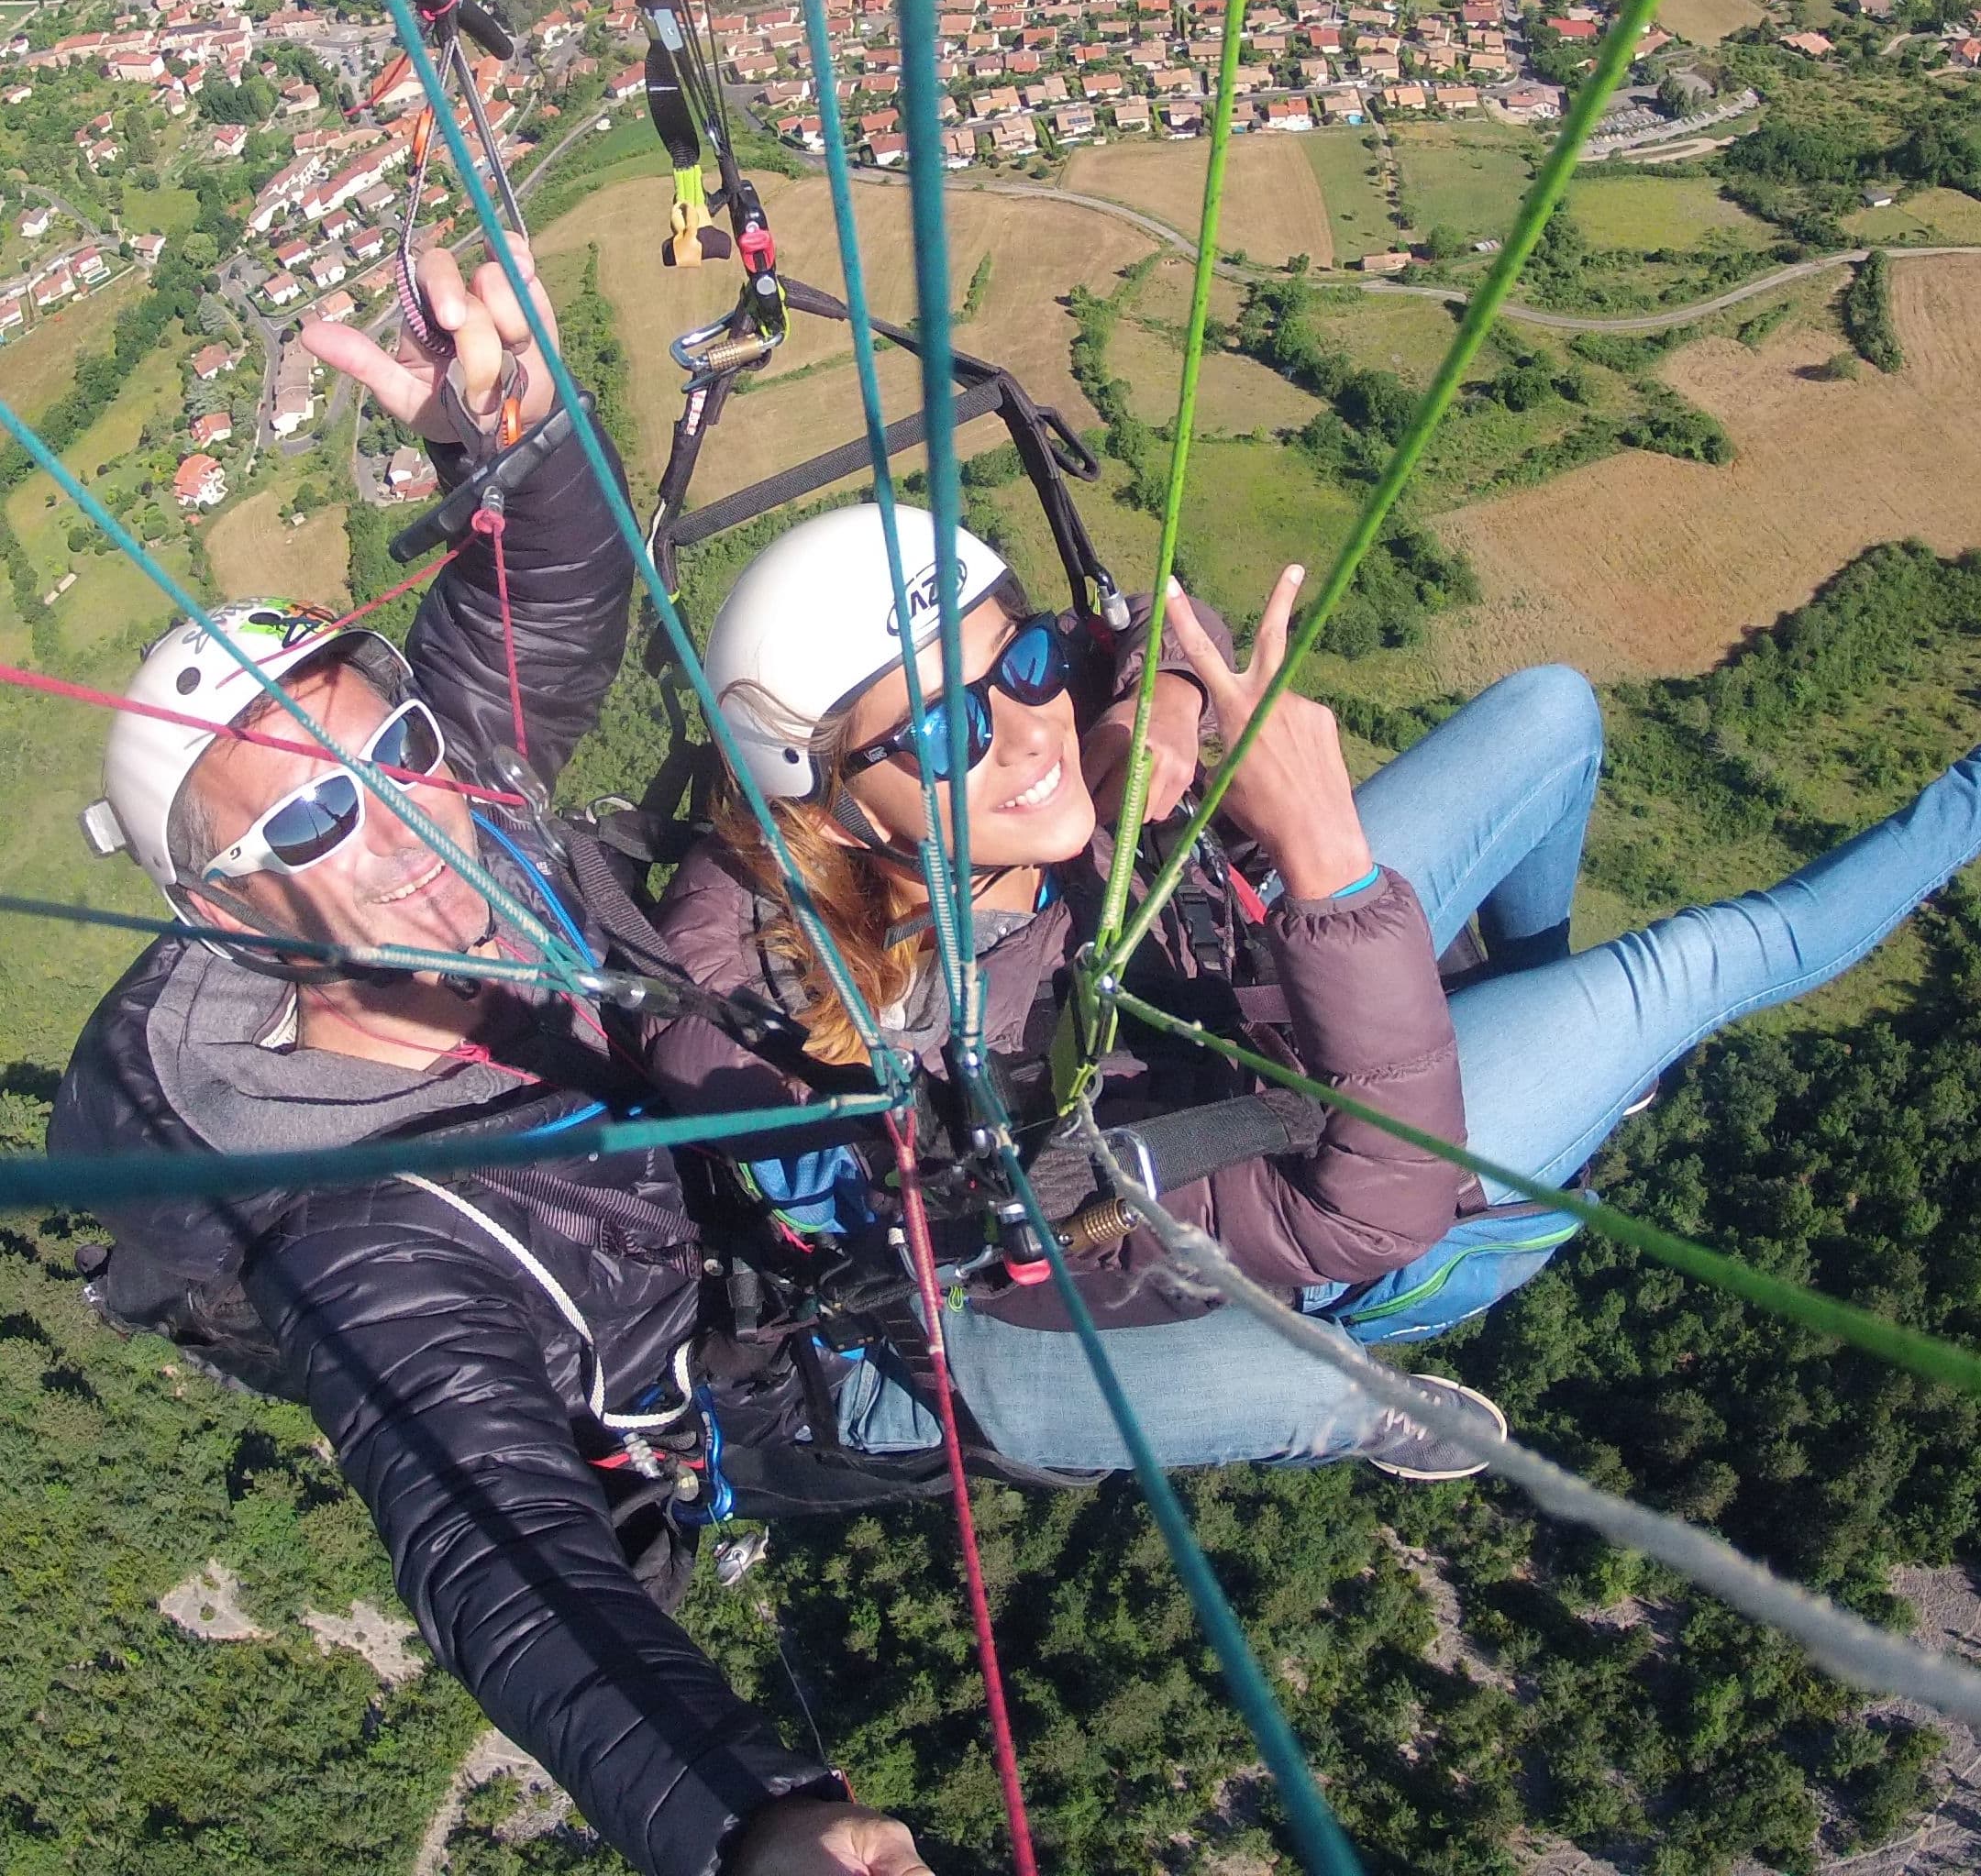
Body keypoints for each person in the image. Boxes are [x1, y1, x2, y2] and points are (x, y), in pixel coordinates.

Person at [50, 245, 935, 1876]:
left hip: (784, 1152)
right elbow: (502, 1561)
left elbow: (536, 599)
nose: (386, 813)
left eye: (385, 750)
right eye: (310, 814)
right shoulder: (356, 1234)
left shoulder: (463, 813)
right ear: (228, 920)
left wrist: (511, 440)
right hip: (797, 1365)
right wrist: (747, 1824)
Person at [649, 498, 1981, 1479]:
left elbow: (1145, 638)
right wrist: (1329, 867)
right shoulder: (875, 1059)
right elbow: (1362, 1205)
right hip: (1342, 1212)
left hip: (1276, 997)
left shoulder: (1012, 783)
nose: (1020, 732)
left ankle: (1524, 996)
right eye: (940, 729)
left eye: (1020, 668)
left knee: (1554, 711)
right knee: (1694, 963)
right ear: (824, 804)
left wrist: (1153, 714)